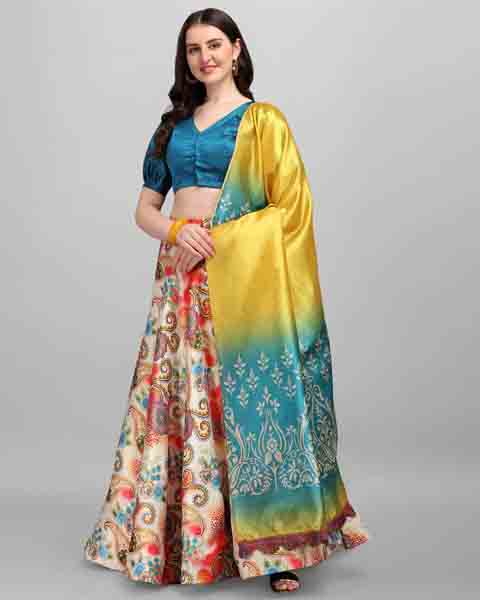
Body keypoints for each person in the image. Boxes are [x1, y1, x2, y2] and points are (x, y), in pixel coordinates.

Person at [82, 7, 369, 593]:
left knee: (255, 406)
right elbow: (145, 208)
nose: (205, 57)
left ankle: (279, 548)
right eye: (193, 49)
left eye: (214, 45)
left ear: (236, 49)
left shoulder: (263, 122)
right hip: (180, 282)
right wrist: (175, 232)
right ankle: (185, 542)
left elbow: (290, 209)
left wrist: (216, 241)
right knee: (186, 403)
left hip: (241, 283)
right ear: (185, 59)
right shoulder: (172, 127)